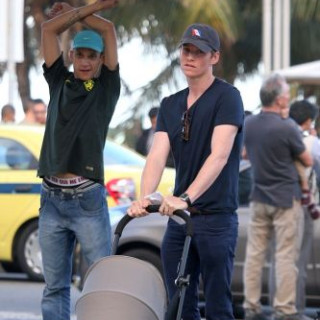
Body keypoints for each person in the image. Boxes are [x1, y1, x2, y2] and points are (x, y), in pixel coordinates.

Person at [128, 23, 244, 320]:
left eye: (199, 52)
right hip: (181, 222)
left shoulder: (227, 97)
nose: (190, 57)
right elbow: (156, 155)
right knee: (179, 304)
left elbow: (219, 155)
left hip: (216, 218)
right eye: (186, 50)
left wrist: (187, 197)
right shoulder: (170, 104)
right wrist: (145, 197)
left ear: (214, 57)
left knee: (218, 306)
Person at [37, 1, 120, 319]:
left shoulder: (106, 88)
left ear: (101, 60)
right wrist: (73, 10)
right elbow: (48, 29)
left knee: (102, 284)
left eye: (92, 56)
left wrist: (92, 8)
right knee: (54, 289)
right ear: (72, 56)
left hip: (87, 201)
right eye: (80, 54)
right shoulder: (59, 81)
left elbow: (108, 30)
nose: (85, 61)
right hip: (52, 200)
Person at [242, 74, 313, 320]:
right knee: (284, 256)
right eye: (286, 94)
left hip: (258, 196)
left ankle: (251, 307)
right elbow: (308, 159)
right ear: (281, 98)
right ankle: (284, 310)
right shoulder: (288, 127)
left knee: (254, 254)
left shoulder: (249, 124)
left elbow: (244, 154)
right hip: (285, 200)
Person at [269, 100, 320, 320]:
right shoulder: (310, 143)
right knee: (297, 264)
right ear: (308, 120)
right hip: (299, 210)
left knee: (278, 263)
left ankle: (278, 310)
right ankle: (294, 312)